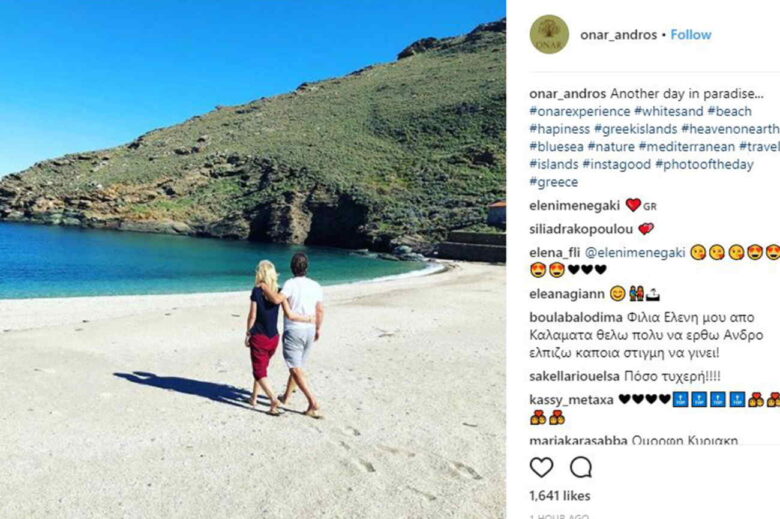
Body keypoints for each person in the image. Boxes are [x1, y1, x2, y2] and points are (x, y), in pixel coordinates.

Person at [259, 252, 324, 419]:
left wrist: (264, 287)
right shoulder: (315, 285)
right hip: (310, 329)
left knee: (295, 368)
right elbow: (320, 310)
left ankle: (313, 402)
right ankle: (286, 397)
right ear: (307, 267)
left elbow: (276, 300)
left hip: (295, 330)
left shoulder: (290, 284)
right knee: (298, 366)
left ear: (292, 267)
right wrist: (318, 328)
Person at [245, 260, 313, 416]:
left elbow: (252, 315)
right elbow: (289, 313)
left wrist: (248, 333)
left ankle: (273, 400)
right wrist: (308, 319)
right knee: (262, 368)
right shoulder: (279, 292)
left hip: (259, 336)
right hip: (273, 337)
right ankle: (254, 398)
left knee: (259, 371)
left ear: (260, 274)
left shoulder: (257, 291)